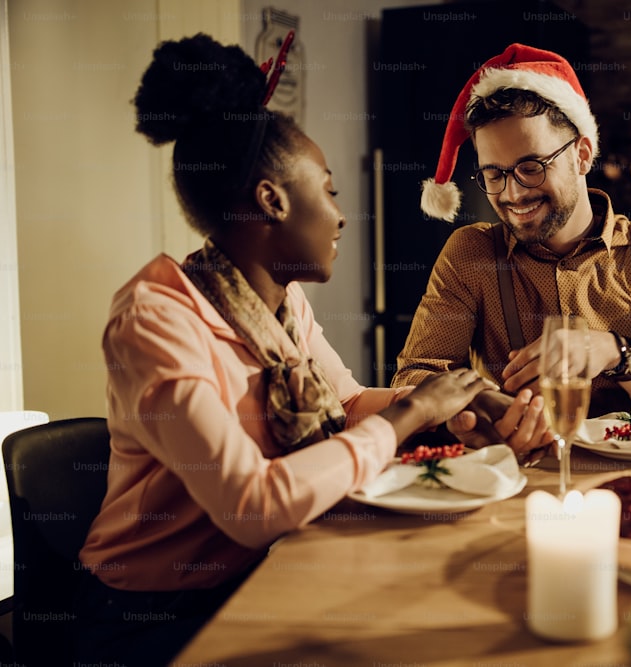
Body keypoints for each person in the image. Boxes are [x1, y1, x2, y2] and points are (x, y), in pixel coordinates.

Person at [75, 33, 492, 667]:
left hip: (259, 573)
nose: (340, 215)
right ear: (271, 199)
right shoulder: (155, 321)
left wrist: (444, 399)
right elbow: (252, 505)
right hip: (146, 621)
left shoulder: (281, 303)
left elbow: (347, 403)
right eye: (327, 191)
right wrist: (407, 417)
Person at [392, 43, 631, 439]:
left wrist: (616, 355)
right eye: (494, 175)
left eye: (531, 167)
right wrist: (480, 403)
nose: (513, 194)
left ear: (582, 155)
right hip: (523, 480)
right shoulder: (471, 253)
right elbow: (414, 378)